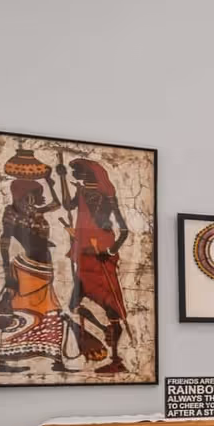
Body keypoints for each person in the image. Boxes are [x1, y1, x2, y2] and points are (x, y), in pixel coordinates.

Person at [0, 148, 66, 374]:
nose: (40, 199)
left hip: (44, 269)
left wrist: (50, 180)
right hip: (26, 269)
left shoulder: (36, 212)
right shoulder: (12, 213)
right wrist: (7, 273)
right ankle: (4, 360)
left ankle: (54, 357)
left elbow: (57, 203)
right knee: (20, 312)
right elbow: (4, 241)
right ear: (26, 195)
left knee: (50, 312)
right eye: (36, 194)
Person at [60, 157, 132, 376]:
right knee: (73, 304)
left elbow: (125, 230)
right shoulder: (83, 192)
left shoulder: (104, 196)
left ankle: (116, 357)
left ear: (89, 174)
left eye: (77, 172)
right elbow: (68, 206)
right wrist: (62, 178)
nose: (75, 175)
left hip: (100, 255)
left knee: (110, 303)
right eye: (74, 172)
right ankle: (104, 332)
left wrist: (109, 251)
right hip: (86, 255)